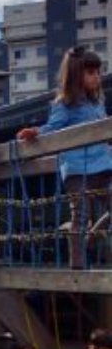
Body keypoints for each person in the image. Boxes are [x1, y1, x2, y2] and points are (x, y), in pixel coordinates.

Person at [17, 46, 112, 268]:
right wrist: (36, 132)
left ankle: (91, 237)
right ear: (77, 75)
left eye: (98, 72)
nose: (96, 77)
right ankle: (76, 264)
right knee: (79, 215)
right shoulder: (65, 104)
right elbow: (52, 127)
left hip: (104, 165)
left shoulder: (98, 102)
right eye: (90, 73)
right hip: (77, 168)